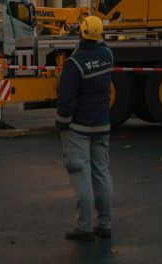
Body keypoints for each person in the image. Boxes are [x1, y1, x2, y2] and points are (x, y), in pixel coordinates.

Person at [55, 14, 115, 241]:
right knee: (102, 173)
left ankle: (85, 226)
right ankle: (105, 224)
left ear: (81, 34)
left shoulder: (74, 63)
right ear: (101, 35)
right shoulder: (108, 56)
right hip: (102, 125)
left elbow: (67, 100)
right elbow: (103, 46)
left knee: (80, 174)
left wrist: (61, 123)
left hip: (79, 129)